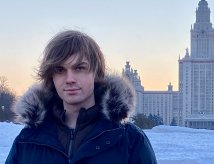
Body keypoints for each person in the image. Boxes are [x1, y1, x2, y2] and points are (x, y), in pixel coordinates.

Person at [6, 30, 157, 164]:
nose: (70, 78)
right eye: (60, 70)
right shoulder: (27, 140)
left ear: (96, 73)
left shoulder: (130, 140)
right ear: (51, 77)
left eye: (79, 68)